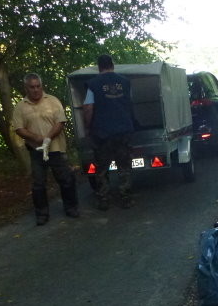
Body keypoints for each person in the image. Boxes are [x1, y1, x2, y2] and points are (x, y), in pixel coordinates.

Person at [12, 73, 79, 225]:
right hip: (36, 150)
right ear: (26, 88)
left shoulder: (53, 101)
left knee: (66, 179)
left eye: (38, 86)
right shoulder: (20, 107)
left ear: (42, 86)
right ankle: (42, 214)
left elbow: (61, 122)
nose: (36, 90)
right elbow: (19, 128)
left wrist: (48, 138)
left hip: (55, 148)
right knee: (38, 184)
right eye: (32, 87)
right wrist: (37, 139)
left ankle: (71, 208)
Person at [82, 55, 135, 210]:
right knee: (124, 167)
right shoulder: (125, 82)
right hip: (123, 131)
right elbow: (130, 103)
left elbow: (88, 108)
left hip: (102, 134)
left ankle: (104, 200)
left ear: (99, 67)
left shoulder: (93, 84)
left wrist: (88, 127)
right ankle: (126, 198)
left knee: (102, 169)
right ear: (113, 65)